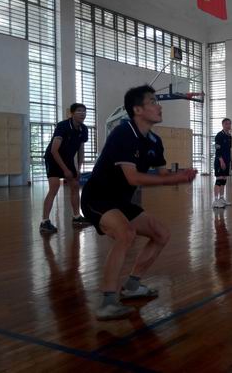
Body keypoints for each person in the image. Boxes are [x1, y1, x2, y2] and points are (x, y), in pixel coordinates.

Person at [81, 85, 197, 321]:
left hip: (121, 201)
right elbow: (132, 178)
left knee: (161, 234)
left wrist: (181, 174)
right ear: (137, 110)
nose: (159, 106)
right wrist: (172, 180)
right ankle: (107, 302)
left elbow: (163, 174)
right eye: (153, 101)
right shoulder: (123, 133)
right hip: (97, 197)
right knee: (125, 234)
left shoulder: (154, 141)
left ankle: (132, 286)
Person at [40, 103, 89, 234]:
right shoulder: (63, 126)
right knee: (54, 187)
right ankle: (44, 222)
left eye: (84, 111)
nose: (82, 113)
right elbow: (54, 150)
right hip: (53, 158)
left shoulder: (84, 129)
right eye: (79, 111)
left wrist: (78, 168)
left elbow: (81, 150)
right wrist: (65, 170)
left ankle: (77, 217)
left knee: (75, 186)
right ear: (72, 114)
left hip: (67, 159)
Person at [213, 118, 232, 208]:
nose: (228, 125)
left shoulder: (229, 136)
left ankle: (221, 198)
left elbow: (229, 150)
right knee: (219, 179)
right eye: (226, 124)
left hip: (227, 161)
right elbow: (217, 150)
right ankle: (215, 201)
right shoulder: (219, 135)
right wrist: (221, 161)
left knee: (224, 180)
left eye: (229, 124)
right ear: (223, 125)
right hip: (220, 161)